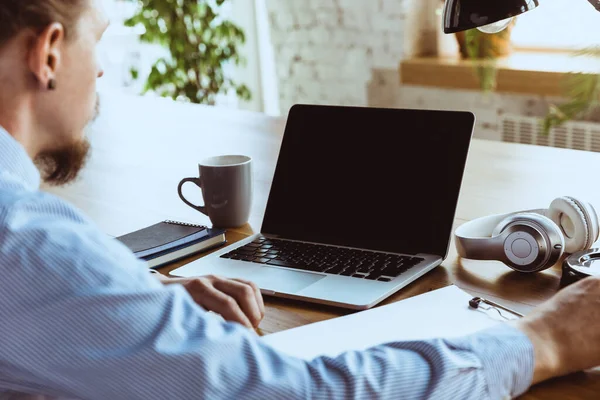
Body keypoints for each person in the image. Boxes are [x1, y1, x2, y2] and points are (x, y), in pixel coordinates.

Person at [1, 1, 600, 399]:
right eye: (97, 43)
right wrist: (545, 340)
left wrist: (127, 302)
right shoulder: (28, 241)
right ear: (48, 52)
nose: (101, 71)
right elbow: (295, 393)